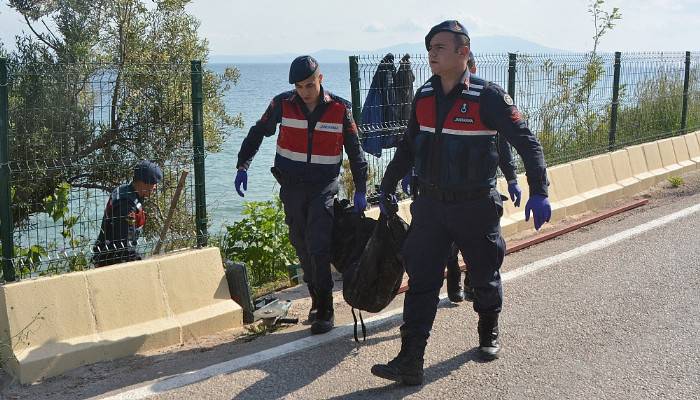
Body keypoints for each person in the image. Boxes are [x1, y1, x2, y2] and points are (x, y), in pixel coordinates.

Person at [371, 20, 551, 386]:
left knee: (484, 275)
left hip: (475, 208)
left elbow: (526, 142)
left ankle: (488, 330)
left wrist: (539, 190)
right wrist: (386, 187)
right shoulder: (422, 97)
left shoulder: (489, 97)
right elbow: (408, 147)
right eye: (429, 49)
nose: (431, 54)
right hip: (431, 208)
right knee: (421, 280)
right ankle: (410, 360)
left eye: (439, 47)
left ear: (463, 52)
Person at [235, 55, 368, 335]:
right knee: (301, 244)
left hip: (323, 186)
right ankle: (316, 298)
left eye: (310, 85)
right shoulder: (282, 104)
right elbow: (259, 131)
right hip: (292, 186)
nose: (305, 92)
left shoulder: (340, 109)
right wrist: (243, 164)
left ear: (320, 79)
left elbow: (355, 152)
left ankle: (326, 307)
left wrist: (361, 189)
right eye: (300, 87)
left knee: (319, 245)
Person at [92, 160, 163, 267]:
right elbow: (124, 245)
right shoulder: (126, 206)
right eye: (152, 183)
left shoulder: (126, 191)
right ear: (141, 182)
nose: (155, 187)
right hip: (112, 262)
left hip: (111, 256)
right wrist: (143, 264)